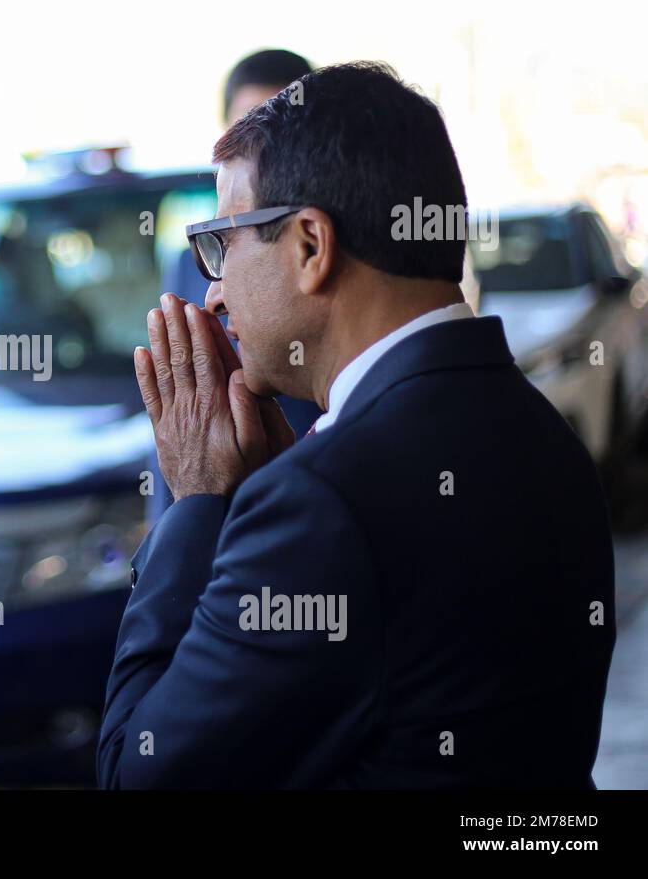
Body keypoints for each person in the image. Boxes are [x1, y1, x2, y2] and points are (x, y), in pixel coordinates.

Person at [99, 62, 615, 788]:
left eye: (223, 242)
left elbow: (138, 773)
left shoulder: (321, 505)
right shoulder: (544, 431)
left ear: (311, 246)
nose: (212, 293)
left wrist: (198, 503)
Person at [149, 50, 319, 521]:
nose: (217, 293)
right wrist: (180, 517)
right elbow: (186, 401)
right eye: (246, 126)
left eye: (277, 126)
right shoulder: (190, 263)